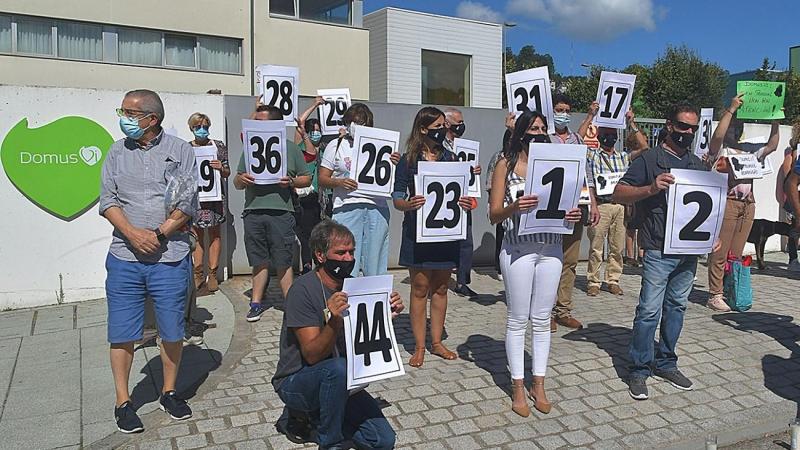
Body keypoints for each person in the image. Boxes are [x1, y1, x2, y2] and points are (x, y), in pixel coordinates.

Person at [100, 89, 196, 433]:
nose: (123, 117)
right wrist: (132, 233)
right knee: (122, 331)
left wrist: (158, 234)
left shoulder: (180, 150)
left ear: (151, 119)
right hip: (124, 256)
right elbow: (107, 199)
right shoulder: (115, 151)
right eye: (122, 111)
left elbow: (187, 200)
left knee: (172, 329)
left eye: (130, 112)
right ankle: (123, 401)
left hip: (169, 256)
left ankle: (169, 391)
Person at [613, 103, 715, 400]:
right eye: (683, 126)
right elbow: (619, 192)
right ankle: (639, 368)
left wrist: (713, 237)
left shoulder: (697, 164)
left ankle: (667, 362)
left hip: (689, 251)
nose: (688, 133)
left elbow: (709, 206)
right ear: (669, 126)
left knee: (677, 308)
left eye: (693, 128)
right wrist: (651, 188)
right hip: (658, 247)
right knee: (648, 311)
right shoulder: (649, 159)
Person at [271, 220, 402, 450]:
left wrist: (385, 315)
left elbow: (366, 340)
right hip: (297, 380)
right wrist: (334, 321)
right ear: (320, 256)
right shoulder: (302, 290)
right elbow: (311, 355)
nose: (348, 259)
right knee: (338, 369)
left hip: (341, 381)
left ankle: (318, 417)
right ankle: (329, 440)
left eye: (351, 252)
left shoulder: (355, 286)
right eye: (340, 253)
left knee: (382, 441)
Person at [489, 110, 582, 416]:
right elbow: (493, 214)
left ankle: (538, 383)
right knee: (518, 319)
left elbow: (566, 204)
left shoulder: (558, 163)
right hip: (518, 249)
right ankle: (517, 386)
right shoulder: (505, 163)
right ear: (520, 133)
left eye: (543, 128)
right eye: (533, 129)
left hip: (552, 247)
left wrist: (572, 215)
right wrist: (514, 206)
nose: (539, 133)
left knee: (542, 320)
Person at [392, 106, 475, 368]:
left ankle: (437, 342)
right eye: (437, 126)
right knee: (419, 288)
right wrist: (408, 204)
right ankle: (419, 346)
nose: (443, 130)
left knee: (440, 287)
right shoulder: (408, 160)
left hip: (446, 233)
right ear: (423, 129)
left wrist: (467, 202)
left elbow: (465, 194)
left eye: (444, 125)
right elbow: (396, 197)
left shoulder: (452, 159)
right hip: (417, 232)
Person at [233, 105, 312, 322]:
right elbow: (237, 181)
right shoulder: (250, 147)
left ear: (276, 124)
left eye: (261, 121)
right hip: (253, 211)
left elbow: (307, 178)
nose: (256, 125)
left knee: (283, 260)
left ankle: (291, 305)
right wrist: (242, 179)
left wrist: (292, 181)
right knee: (258, 260)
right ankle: (256, 302)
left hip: (281, 212)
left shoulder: (291, 148)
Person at [705, 94, 781, 311]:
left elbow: (773, 145)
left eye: (738, 127)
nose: (734, 130)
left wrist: (775, 119)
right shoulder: (721, 150)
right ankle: (714, 293)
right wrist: (730, 110)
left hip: (747, 204)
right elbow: (717, 137)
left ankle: (732, 288)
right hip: (728, 201)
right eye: (732, 126)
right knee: (720, 250)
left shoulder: (749, 149)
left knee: (736, 253)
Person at [318, 103, 400, 277]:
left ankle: (374, 295)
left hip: (377, 207)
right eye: (353, 121)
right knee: (345, 256)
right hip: (347, 206)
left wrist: (396, 162)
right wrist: (339, 182)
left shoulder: (382, 144)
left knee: (375, 260)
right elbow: (322, 179)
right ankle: (344, 295)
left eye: (362, 122)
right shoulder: (336, 145)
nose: (356, 126)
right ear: (346, 123)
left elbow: (392, 178)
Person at [551, 96, 600, 332]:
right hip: (549, 208)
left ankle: (563, 310)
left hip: (574, 206)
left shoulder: (577, 139)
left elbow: (586, 173)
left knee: (569, 261)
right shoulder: (542, 137)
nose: (564, 113)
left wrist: (593, 203)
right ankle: (544, 311)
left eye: (567, 110)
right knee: (549, 260)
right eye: (559, 109)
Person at [585, 124, 630, 297]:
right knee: (596, 246)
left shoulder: (623, 157)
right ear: (599, 135)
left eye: (613, 134)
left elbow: (643, 147)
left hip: (619, 205)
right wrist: (590, 116)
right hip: (600, 205)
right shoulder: (592, 155)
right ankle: (593, 281)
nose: (609, 137)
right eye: (606, 134)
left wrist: (631, 123)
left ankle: (613, 280)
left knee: (617, 247)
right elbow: (578, 141)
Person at [187, 113, 230, 292]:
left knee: (215, 234)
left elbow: (228, 172)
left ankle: (212, 274)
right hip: (196, 198)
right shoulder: (186, 148)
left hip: (215, 197)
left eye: (205, 126)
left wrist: (221, 168)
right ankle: (198, 273)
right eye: (198, 127)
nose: (202, 130)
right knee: (196, 235)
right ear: (192, 129)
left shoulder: (218, 146)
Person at [443, 107, 481, 297]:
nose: (461, 126)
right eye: (458, 123)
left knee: (466, 242)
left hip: (463, 199)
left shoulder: (463, 146)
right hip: (445, 199)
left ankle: (462, 282)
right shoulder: (438, 145)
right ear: (447, 124)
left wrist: (474, 172)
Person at [294, 97, 327, 274]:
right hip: (302, 196)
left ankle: (319, 266)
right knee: (305, 235)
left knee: (319, 234)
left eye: (318, 131)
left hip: (319, 198)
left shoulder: (325, 148)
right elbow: (301, 121)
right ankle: (307, 266)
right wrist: (314, 104)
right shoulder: (299, 146)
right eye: (313, 131)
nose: (316, 133)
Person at [623, 117, 649, 267]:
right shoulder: (628, 156)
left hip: (642, 193)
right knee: (631, 227)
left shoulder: (645, 156)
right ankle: (630, 255)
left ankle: (640, 253)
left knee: (641, 226)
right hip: (630, 193)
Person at [779, 119, 800, 270]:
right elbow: (788, 174)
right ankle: (793, 259)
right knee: (795, 227)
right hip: (796, 194)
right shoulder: (792, 150)